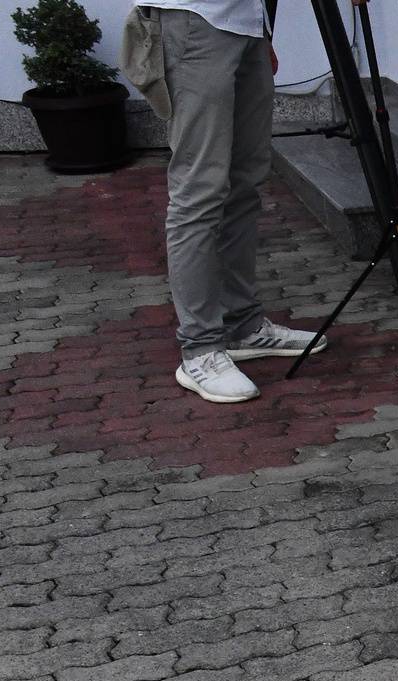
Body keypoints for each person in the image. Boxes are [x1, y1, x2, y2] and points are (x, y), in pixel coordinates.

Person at [130, 0, 327, 404]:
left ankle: (242, 325)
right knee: (198, 192)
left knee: (245, 185)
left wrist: (260, 30)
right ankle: (200, 350)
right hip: (193, 19)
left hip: (246, 22)